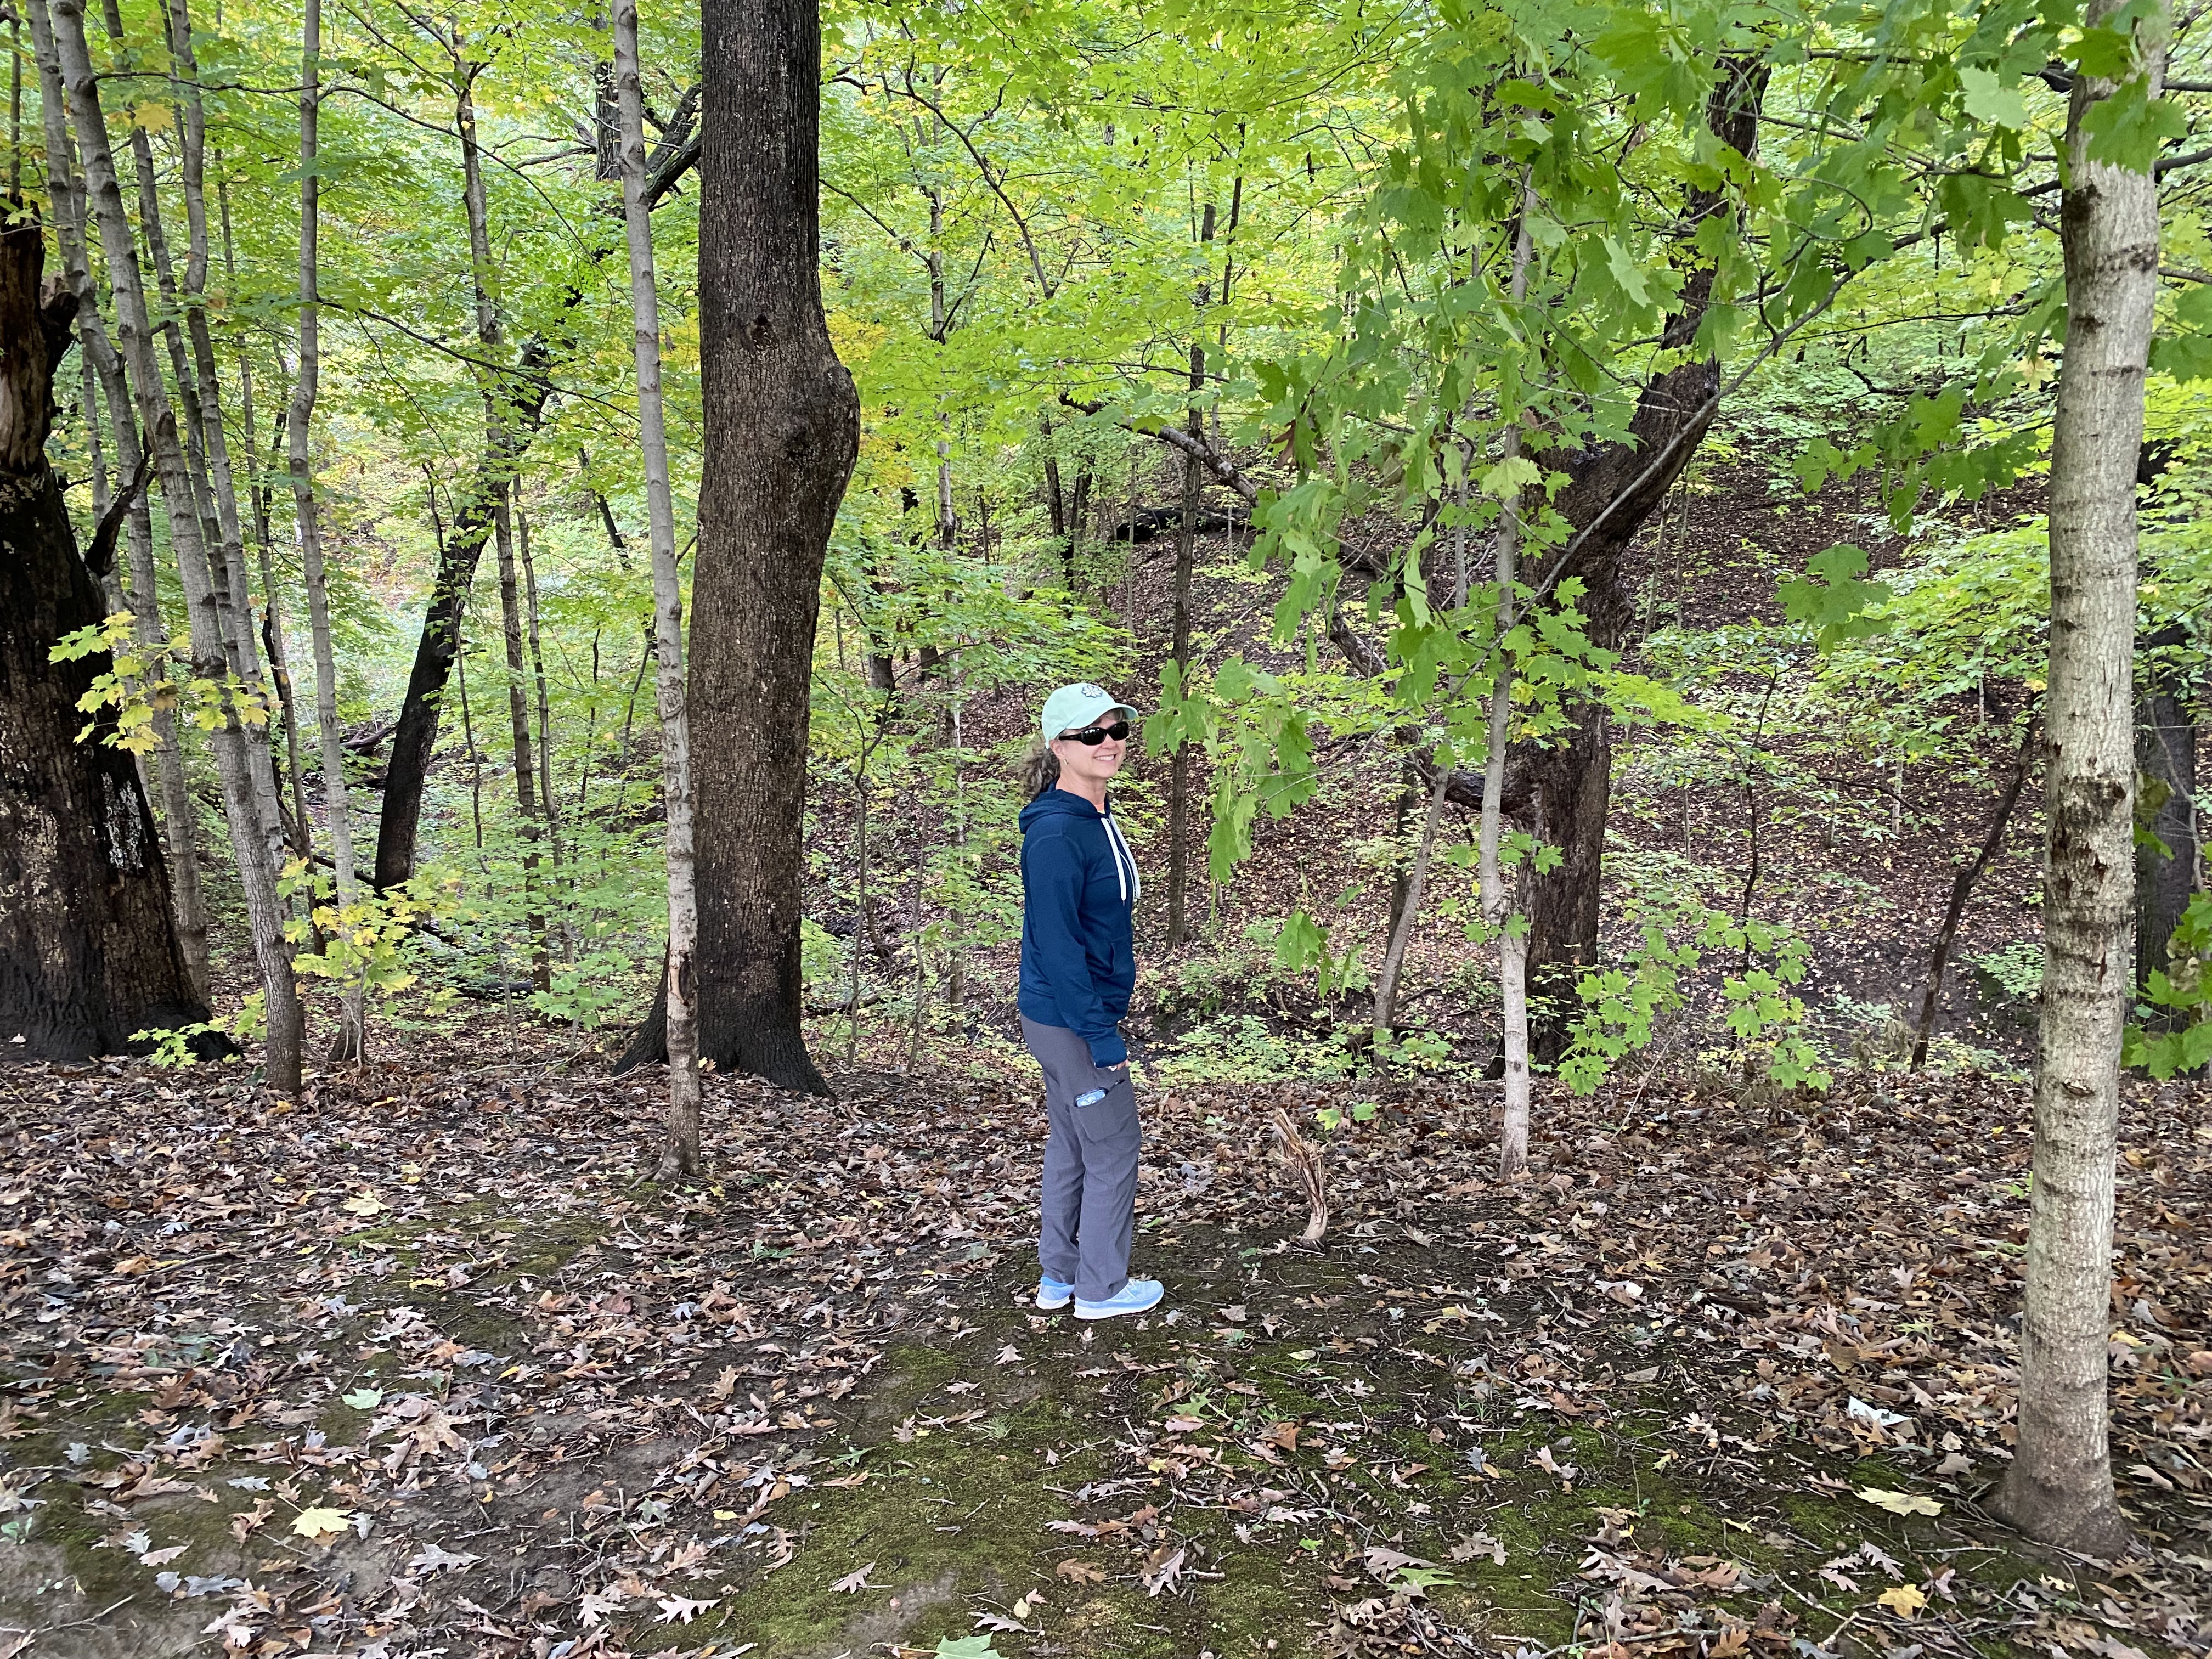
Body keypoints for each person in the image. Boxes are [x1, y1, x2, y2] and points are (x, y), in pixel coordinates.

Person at [1017, 682, 1164, 1321]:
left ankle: (1060, 1277)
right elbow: (1057, 944)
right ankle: (1101, 1290)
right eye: (1090, 734)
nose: (1108, 744)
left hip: (1066, 1015)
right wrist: (1099, 1033)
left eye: (1116, 731)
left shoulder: (1094, 817)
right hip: (1069, 1018)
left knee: (1074, 1144)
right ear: (1058, 746)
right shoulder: (1055, 835)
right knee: (1114, 1145)